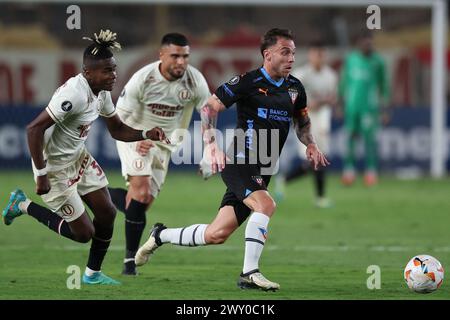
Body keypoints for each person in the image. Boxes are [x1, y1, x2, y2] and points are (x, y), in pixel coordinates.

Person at [134, 28, 329, 291]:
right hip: (239, 162)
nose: (291, 58)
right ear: (267, 54)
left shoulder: (295, 88)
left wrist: (311, 144)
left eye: (293, 53)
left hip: (265, 167)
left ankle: (160, 235)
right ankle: (250, 273)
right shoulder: (247, 82)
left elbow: (302, 121)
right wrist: (211, 146)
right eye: (285, 52)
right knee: (266, 205)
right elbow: (209, 107)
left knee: (216, 234)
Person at [2, 30, 169, 285]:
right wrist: (41, 174)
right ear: (88, 73)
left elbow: (117, 130)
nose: (113, 75)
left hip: (78, 158)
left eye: (113, 69)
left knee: (108, 213)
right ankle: (22, 205)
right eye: (106, 71)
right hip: (54, 168)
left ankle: (92, 275)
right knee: (83, 234)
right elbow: (33, 129)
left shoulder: (100, 93)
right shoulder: (74, 95)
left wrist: (147, 133)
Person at [107, 33, 210, 276]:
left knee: (140, 205)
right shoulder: (142, 79)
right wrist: (140, 136)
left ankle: (90, 190)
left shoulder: (195, 81)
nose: (181, 62)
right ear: (161, 55)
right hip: (136, 137)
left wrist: (209, 154)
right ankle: (129, 262)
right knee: (140, 191)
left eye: (185, 56)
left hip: (165, 145)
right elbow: (118, 118)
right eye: (175, 56)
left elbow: (208, 115)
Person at [274, 41, 337, 208]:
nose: (319, 57)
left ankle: (285, 180)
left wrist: (329, 101)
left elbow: (332, 97)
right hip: (305, 119)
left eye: (322, 54)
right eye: (317, 54)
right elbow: (291, 98)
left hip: (322, 118)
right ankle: (320, 197)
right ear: (310, 55)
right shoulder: (301, 75)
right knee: (313, 159)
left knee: (317, 159)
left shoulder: (330, 75)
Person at [339, 31, 390, 186]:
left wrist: (385, 109)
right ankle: (349, 171)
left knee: (369, 140)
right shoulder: (351, 60)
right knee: (351, 138)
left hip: (370, 108)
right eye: (365, 42)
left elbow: (384, 86)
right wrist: (340, 103)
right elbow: (343, 83)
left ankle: (371, 172)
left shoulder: (378, 62)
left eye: (370, 42)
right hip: (352, 107)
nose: (368, 45)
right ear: (359, 43)